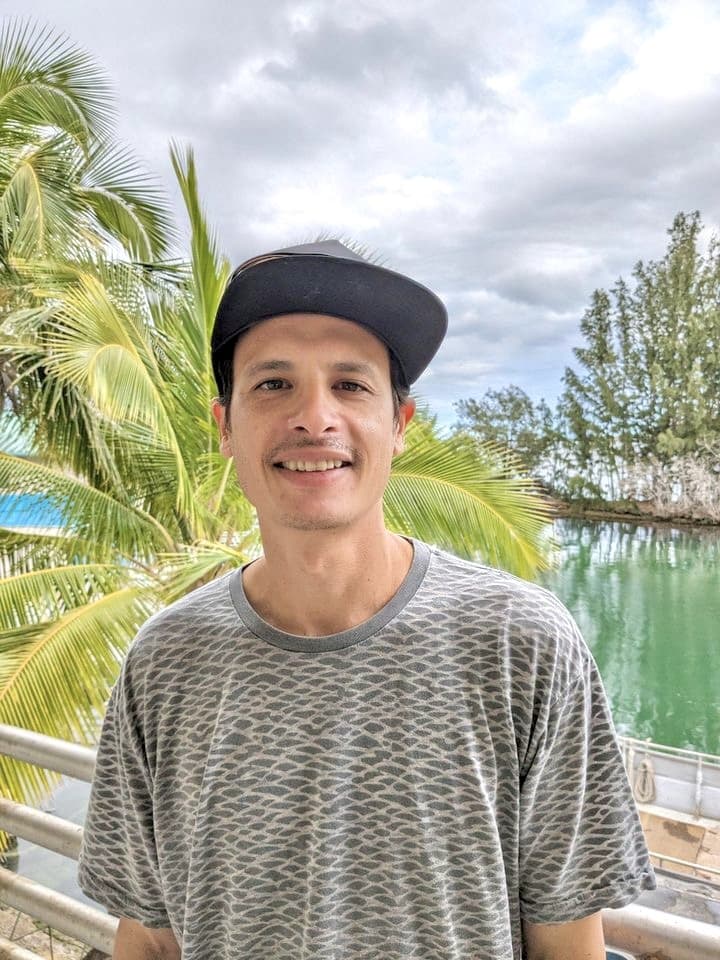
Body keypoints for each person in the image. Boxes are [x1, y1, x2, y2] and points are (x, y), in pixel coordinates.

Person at [78, 240, 655, 959]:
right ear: (225, 426)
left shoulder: (519, 642)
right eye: (273, 385)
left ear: (400, 426)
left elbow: (567, 940)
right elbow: (152, 938)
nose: (314, 418)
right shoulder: (165, 661)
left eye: (350, 385)